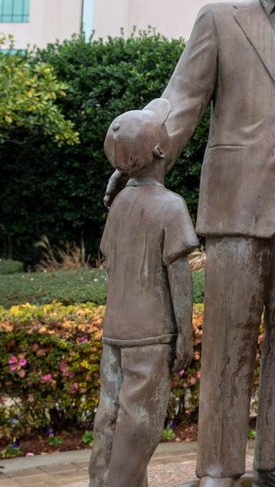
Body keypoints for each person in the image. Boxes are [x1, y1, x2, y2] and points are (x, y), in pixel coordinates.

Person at [104, 0, 275, 487]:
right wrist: (137, 158)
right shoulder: (218, 20)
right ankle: (218, 465)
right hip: (235, 203)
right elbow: (179, 101)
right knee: (229, 340)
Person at [90, 98, 198, 487]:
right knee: (141, 424)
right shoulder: (171, 206)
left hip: (116, 329)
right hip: (151, 333)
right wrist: (185, 333)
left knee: (110, 417)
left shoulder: (119, 204)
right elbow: (180, 276)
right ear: (160, 150)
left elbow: (109, 259)